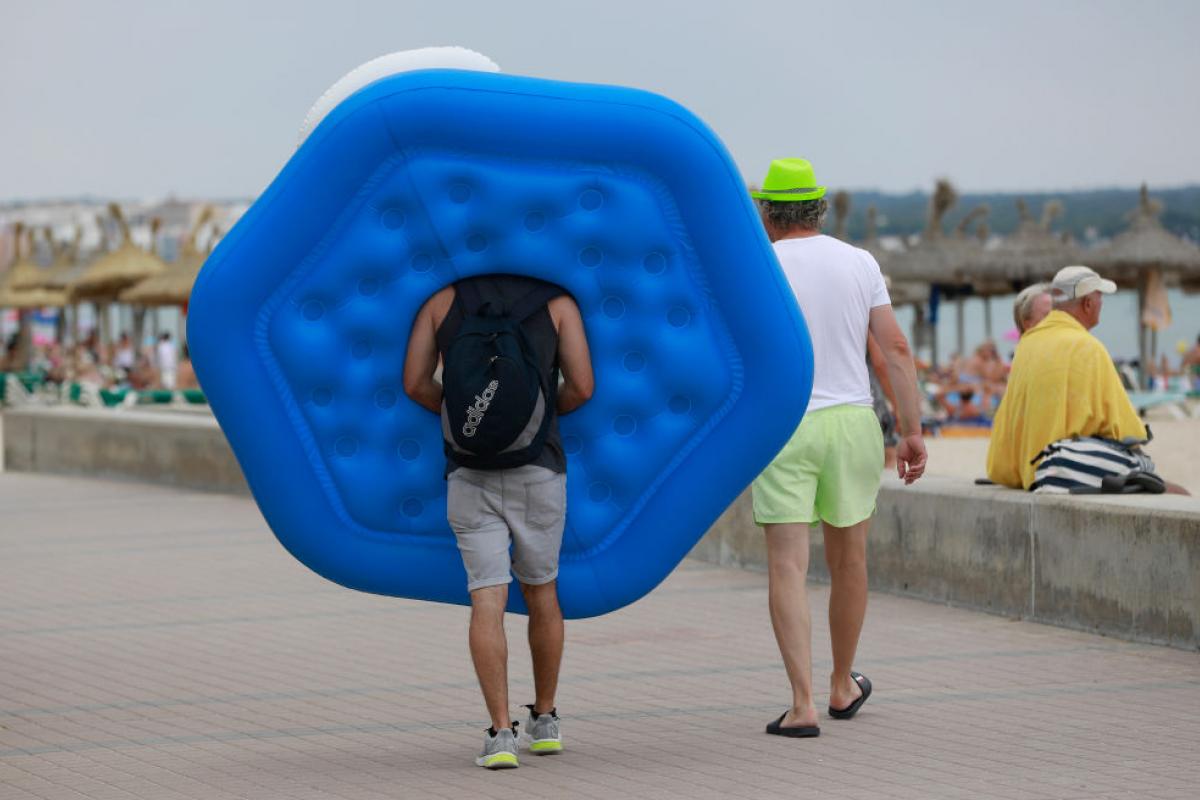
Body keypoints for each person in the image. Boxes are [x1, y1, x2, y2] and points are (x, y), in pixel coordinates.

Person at [749, 158, 927, 738]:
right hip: (852, 420)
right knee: (850, 560)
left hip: (785, 423)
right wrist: (912, 430)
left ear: (768, 212)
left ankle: (801, 705)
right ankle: (842, 685)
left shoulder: (759, 262)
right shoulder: (860, 261)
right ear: (819, 208)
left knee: (788, 565)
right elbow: (895, 350)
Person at [404, 274, 594, 769]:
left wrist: (468, 419)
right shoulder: (557, 302)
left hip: (469, 472)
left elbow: (415, 383)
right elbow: (582, 387)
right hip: (540, 468)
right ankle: (546, 719)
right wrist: (538, 417)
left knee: (486, 597)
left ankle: (501, 732)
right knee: (542, 591)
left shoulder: (441, 301)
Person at [987, 265, 1188, 494]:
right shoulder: (1088, 347)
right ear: (1088, 304)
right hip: (1055, 467)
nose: (1102, 303)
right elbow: (1124, 429)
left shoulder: (1026, 344)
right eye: (1100, 296)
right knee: (1163, 482)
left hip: (1023, 468)